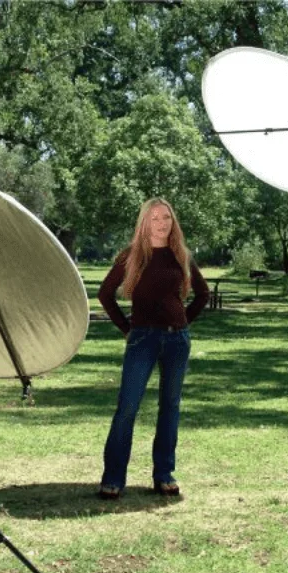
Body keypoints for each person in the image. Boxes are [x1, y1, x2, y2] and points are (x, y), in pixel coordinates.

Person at [97, 197, 209, 499]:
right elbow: (105, 294)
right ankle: (113, 478)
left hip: (177, 341)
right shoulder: (131, 255)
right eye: (156, 217)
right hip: (142, 339)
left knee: (170, 408)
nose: (162, 223)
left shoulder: (181, 255)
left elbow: (202, 294)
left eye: (167, 217)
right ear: (145, 222)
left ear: (173, 222)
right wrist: (128, 330)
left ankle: (164, 475)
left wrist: (183, 324)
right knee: (127, 407)